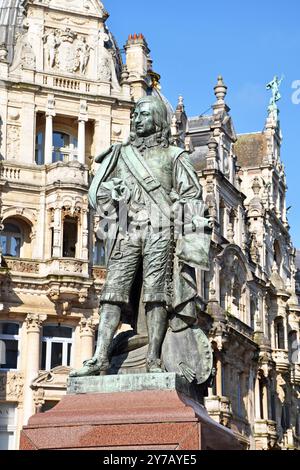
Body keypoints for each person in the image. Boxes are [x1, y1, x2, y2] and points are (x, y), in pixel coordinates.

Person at [70, 95, 211, 377]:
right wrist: (115, 194)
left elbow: (192, 195)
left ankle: (153, 358)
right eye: (135, 115)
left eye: (144, 114)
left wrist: (177, 207)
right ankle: (99, 358)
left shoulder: (175, 156)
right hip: (128, 230)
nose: (137, 119)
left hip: (161, 232)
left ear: (157, 119)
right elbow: (99, 194)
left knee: (156, 295)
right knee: (112, 292)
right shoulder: (121, 154)